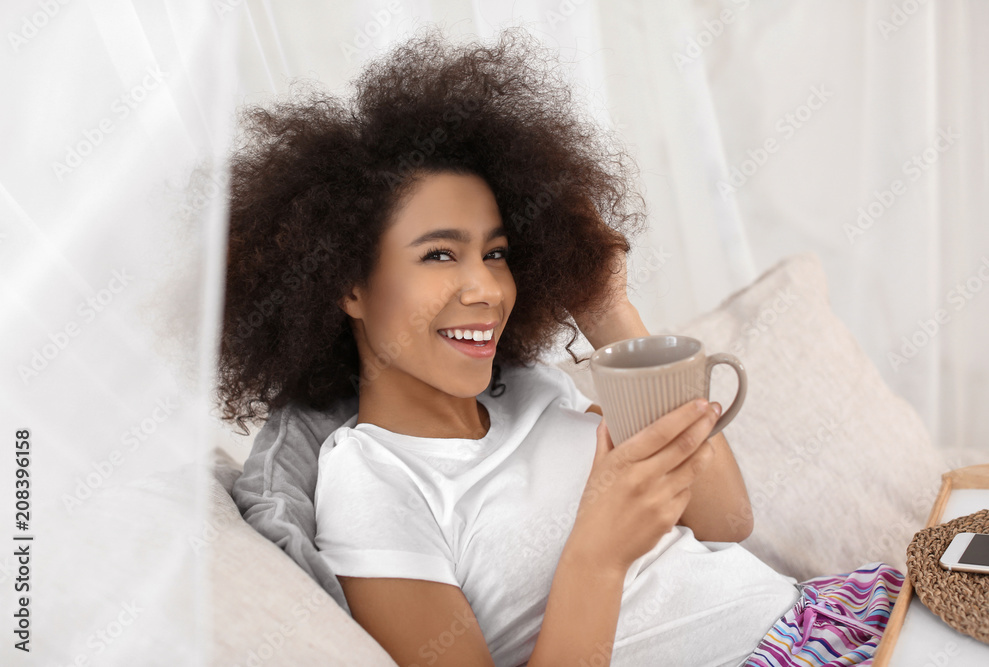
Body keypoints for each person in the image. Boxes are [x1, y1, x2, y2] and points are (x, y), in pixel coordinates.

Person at [216, 24, 903, 667]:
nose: (485, 287)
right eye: (438, 255)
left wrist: (608, 310)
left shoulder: (537, 387)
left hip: (827, 622)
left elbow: (727, 519)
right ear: (349, 286)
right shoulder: (373, 485)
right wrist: (598, 552)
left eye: (497, 252)